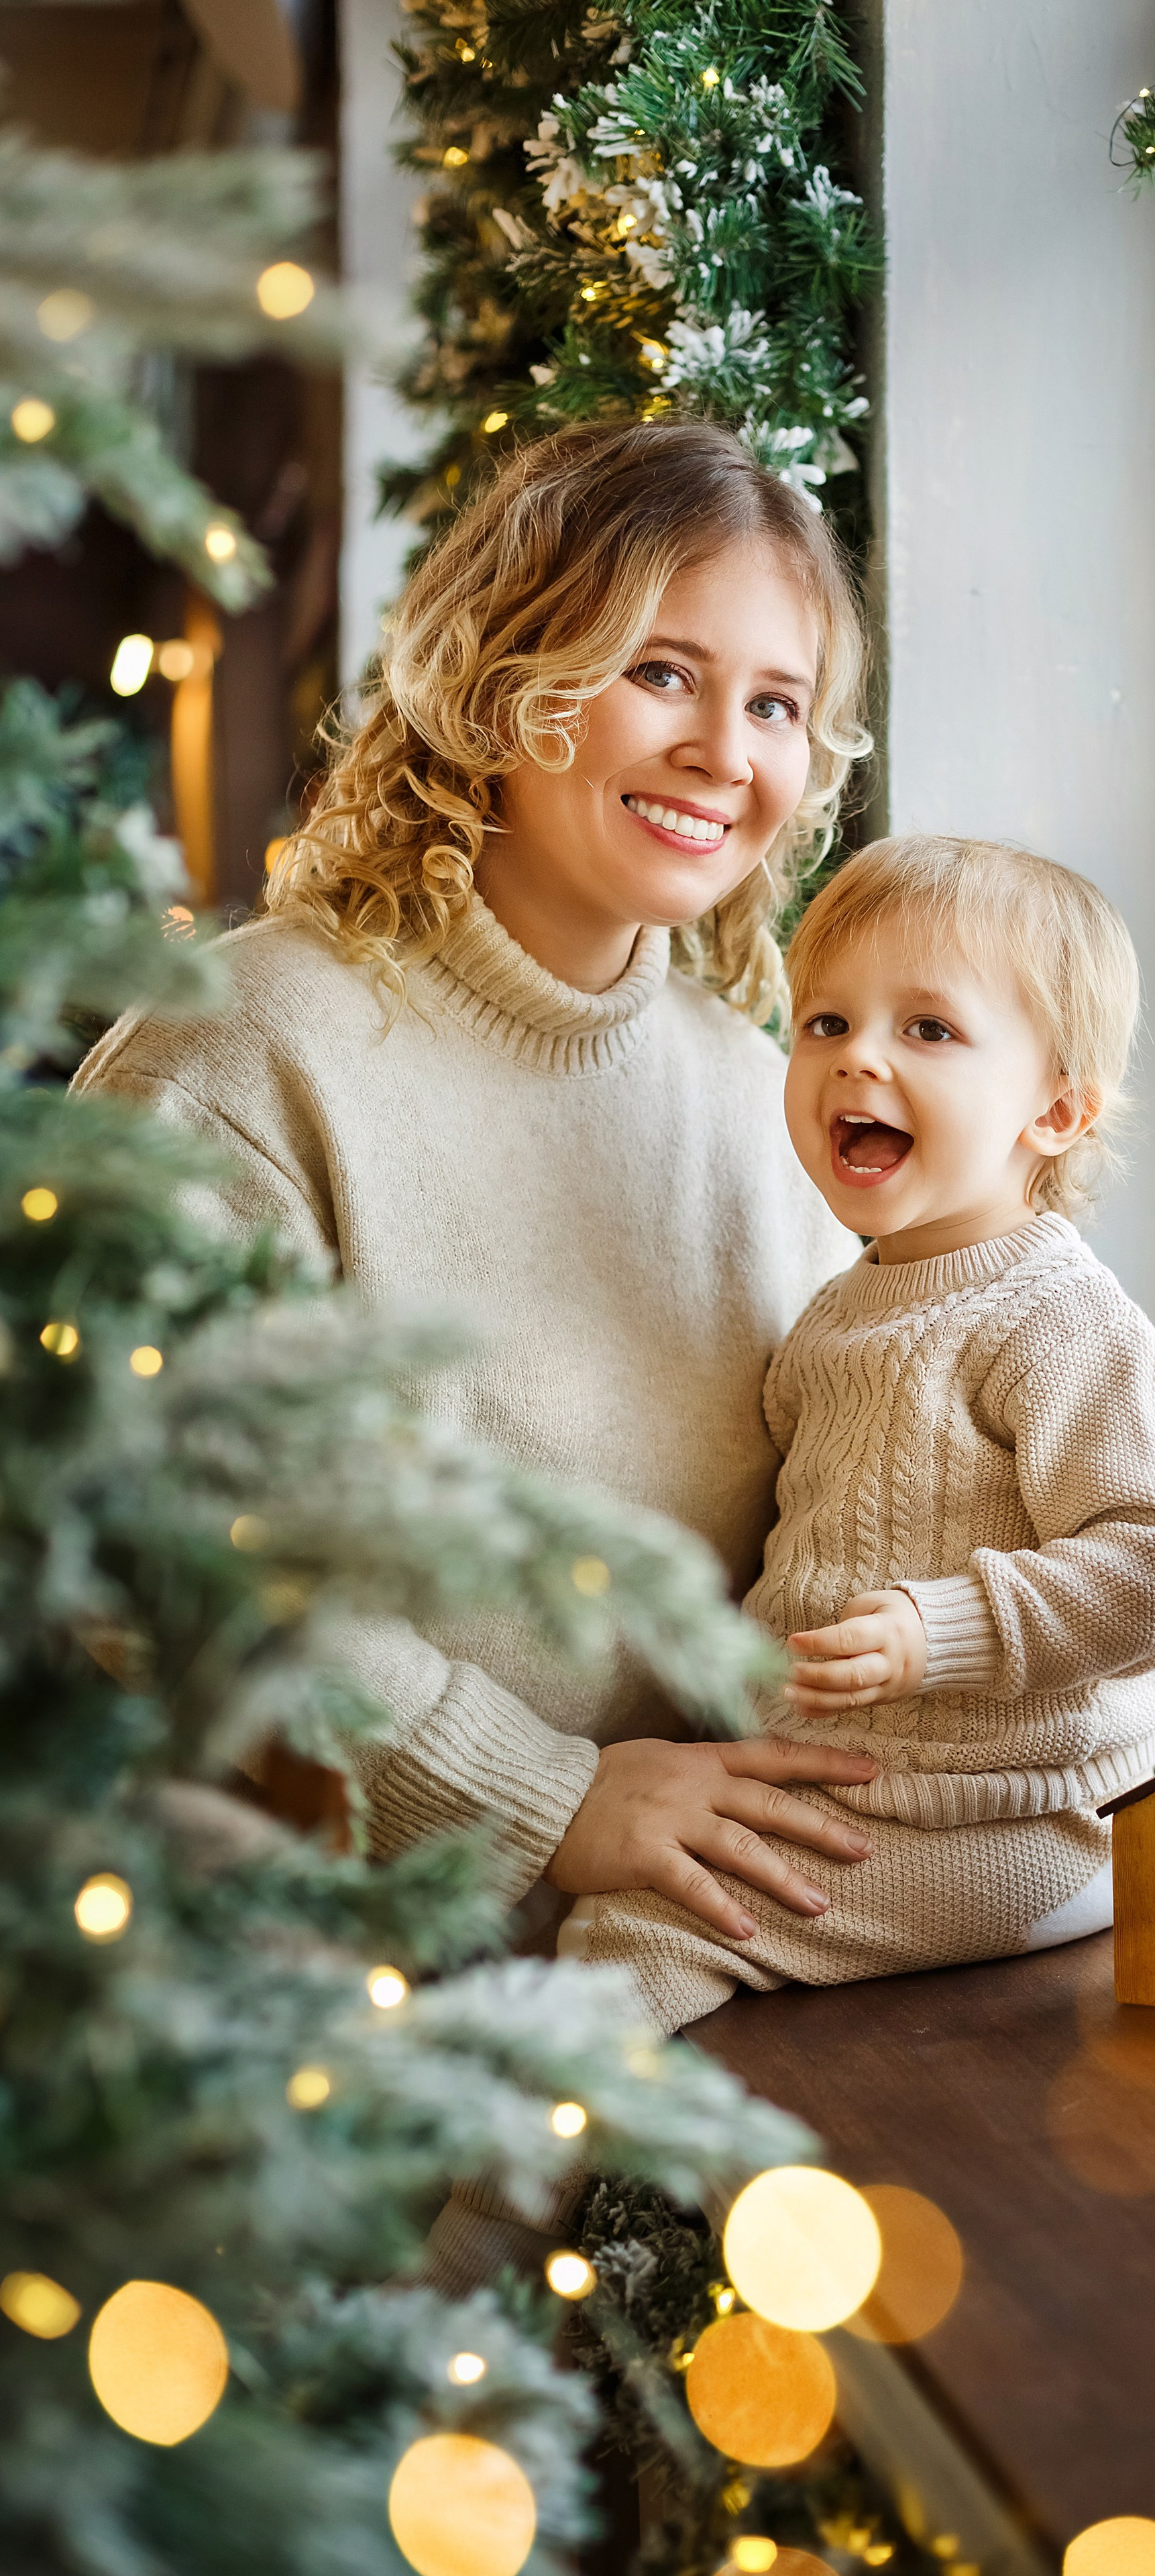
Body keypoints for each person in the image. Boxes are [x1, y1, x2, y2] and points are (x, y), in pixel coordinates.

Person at [73, 419, 891, 1971]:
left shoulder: (758, 1094)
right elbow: (136, 1544)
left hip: (684, 1971)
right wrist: (537, 1798)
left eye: (776, 704)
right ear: (506, 678)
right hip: (299, 1993)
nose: (726, 752)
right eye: (661, 671)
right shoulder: (241, 1048)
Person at [577, 834, 1155, 2030]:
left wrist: (946, 1631)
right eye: (825, 1022)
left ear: (1056, 1110)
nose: (857, 1056)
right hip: (856, 1786)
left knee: (637, 1933)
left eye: (927, 1029)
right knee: (619, 1879)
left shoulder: (1058, 1320)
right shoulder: (838, 1311)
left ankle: (493, 2163)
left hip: (1005, 1822)